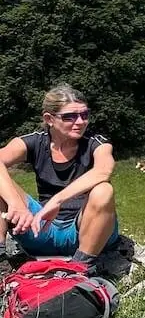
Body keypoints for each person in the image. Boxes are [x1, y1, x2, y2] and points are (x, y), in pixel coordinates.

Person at [0, 85, 121, 268]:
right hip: (42, 229)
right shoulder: (35, 141)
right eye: (69, 117)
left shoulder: (97, 144)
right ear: (49, 119)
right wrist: (15, 203)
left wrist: (57, 200)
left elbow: (103, 170)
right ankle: (1, 263)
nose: (80, 122)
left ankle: (80, 268)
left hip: (87, 232)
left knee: (104, 190)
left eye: (84, 115)